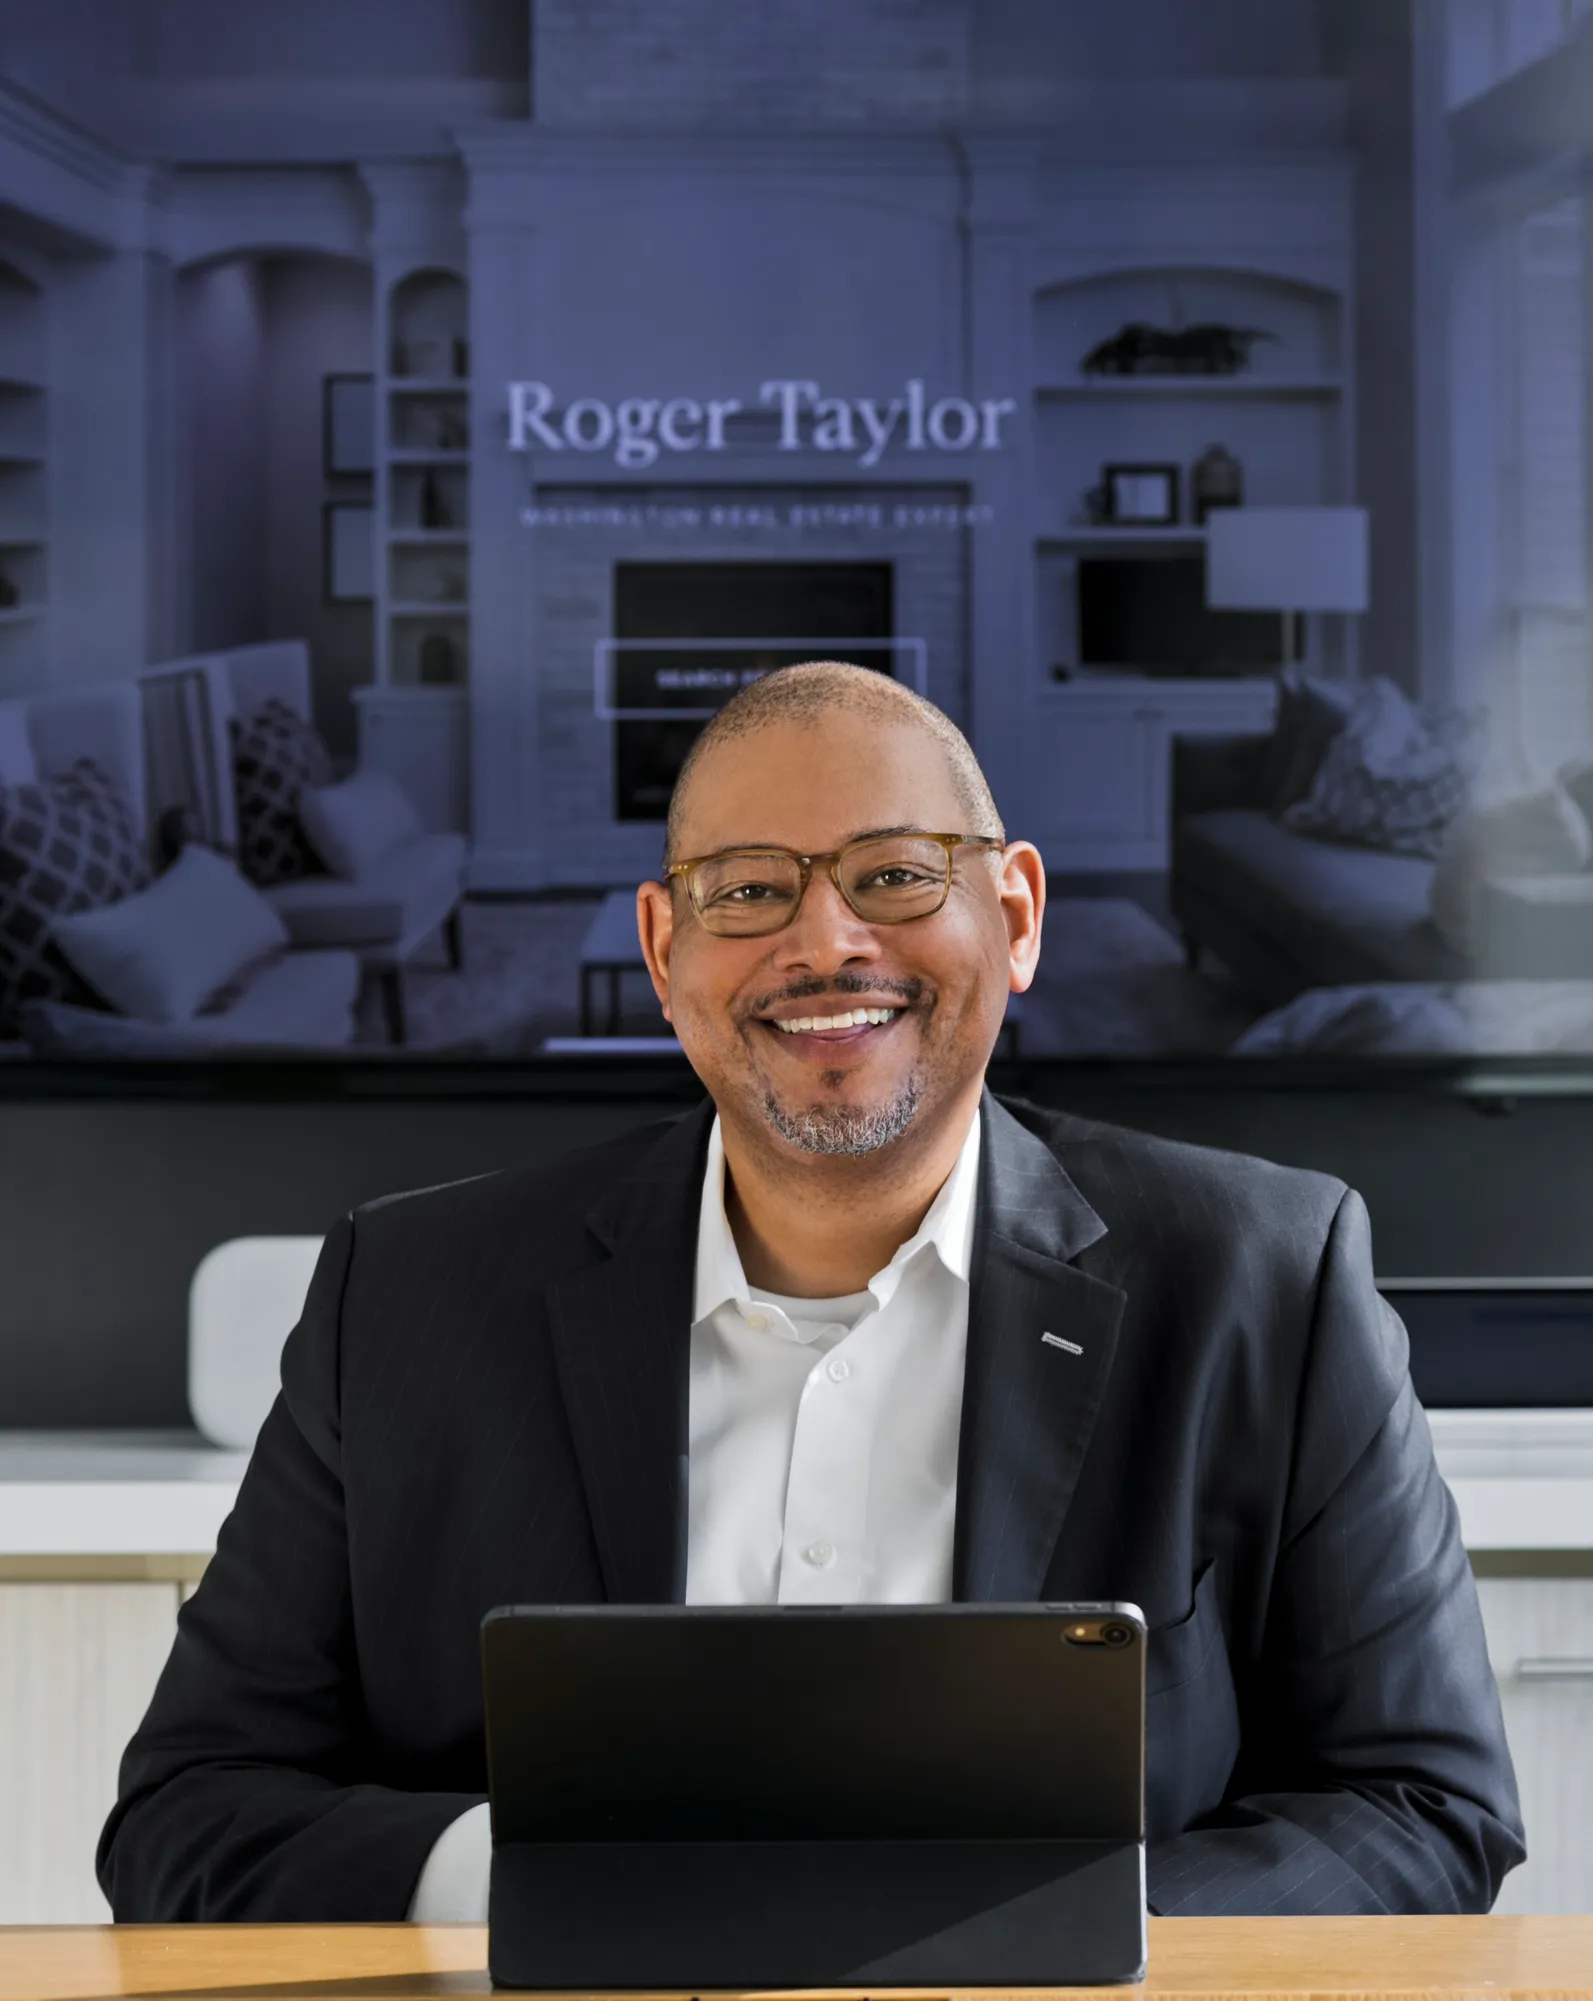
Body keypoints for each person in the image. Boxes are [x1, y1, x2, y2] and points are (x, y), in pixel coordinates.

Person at [98, 660, 1524, 1922]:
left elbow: (1424, 1808)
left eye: (896, 873)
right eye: (751, 888)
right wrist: (535, 1880)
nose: (825, 942)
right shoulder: (405, 1297)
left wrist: (1030, 1931)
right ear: (666, 952)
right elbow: (190, 1813)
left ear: (1016, 915)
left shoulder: (1270, 1277)